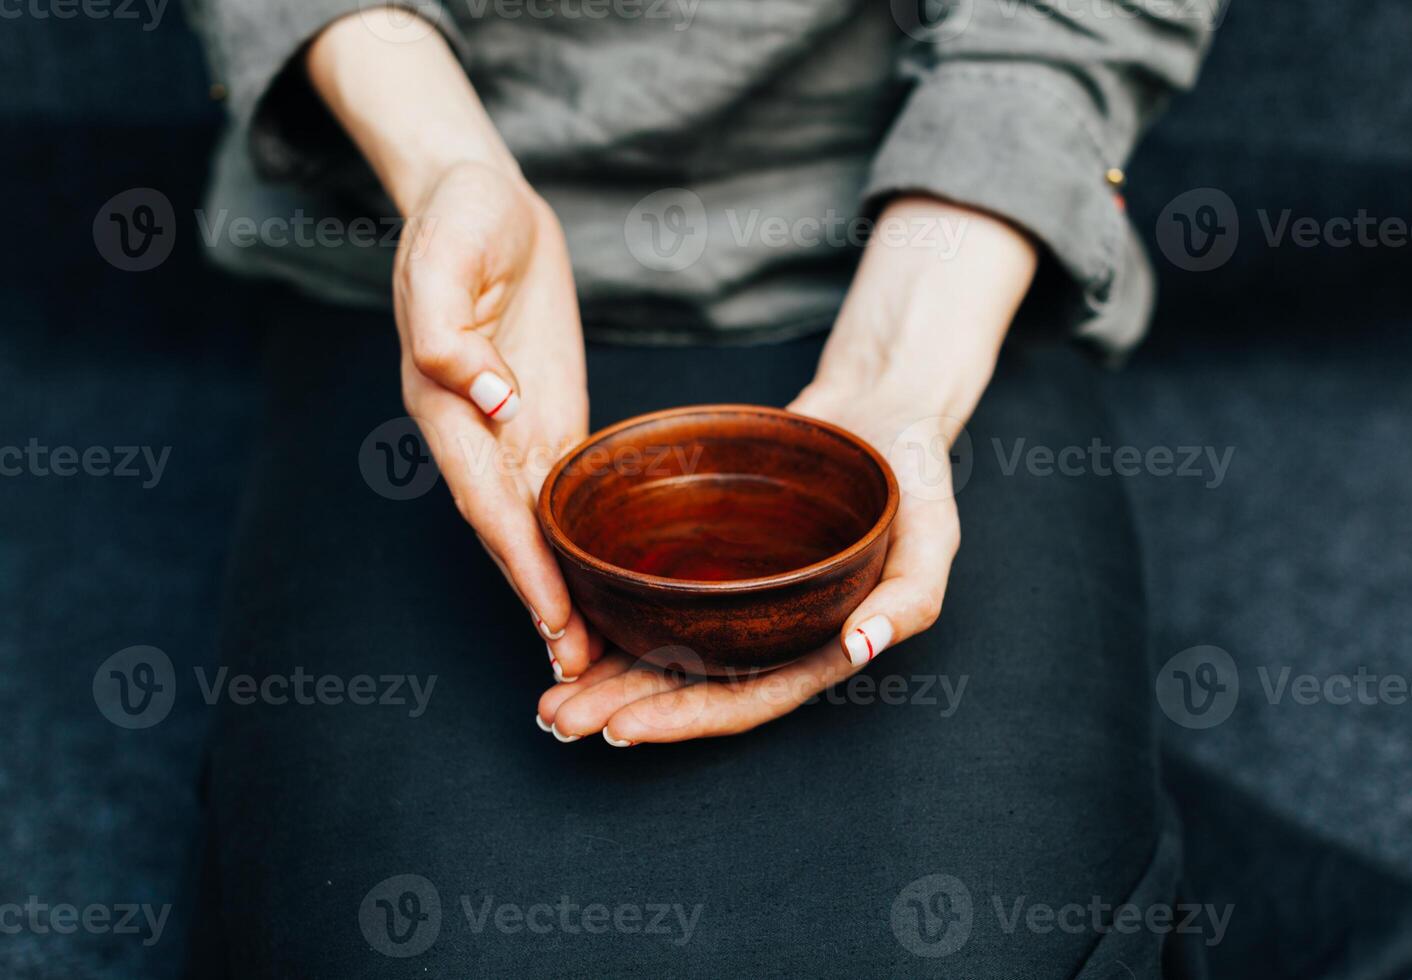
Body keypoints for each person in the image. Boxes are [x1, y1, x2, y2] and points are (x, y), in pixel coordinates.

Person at [186, 1, 1215, 975]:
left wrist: (905, 365)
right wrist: (445, 165)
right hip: (419, 246)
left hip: (932, 254)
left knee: (988, 944)